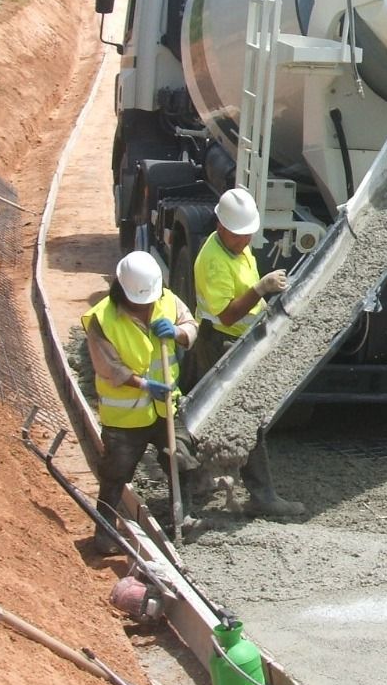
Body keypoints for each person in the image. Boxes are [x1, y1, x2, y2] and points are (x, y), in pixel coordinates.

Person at [188, 187, 302, 518]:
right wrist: (259, 289)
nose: (246, 241)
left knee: (211, 414)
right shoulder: (213, 261)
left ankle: (199, 478)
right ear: (222, 228)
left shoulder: (239, 248)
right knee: (246, 420)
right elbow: (226, 315)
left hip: (239, 338)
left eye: (249, 235)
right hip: (220, 341)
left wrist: (272, 298)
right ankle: (262, 497)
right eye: (240, 236)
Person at [82, 250, 198, 551]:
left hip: (165, 408)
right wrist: (145, 385)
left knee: (180, 458)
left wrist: (177, 331)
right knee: (115, 474)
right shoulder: (102, 319)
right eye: (139, 300)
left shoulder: (167, 301)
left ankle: (182, 518)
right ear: (122, 289)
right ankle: (105, 533)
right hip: (125, 419)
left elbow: (192, 326)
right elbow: (109, 368)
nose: (146, 305)